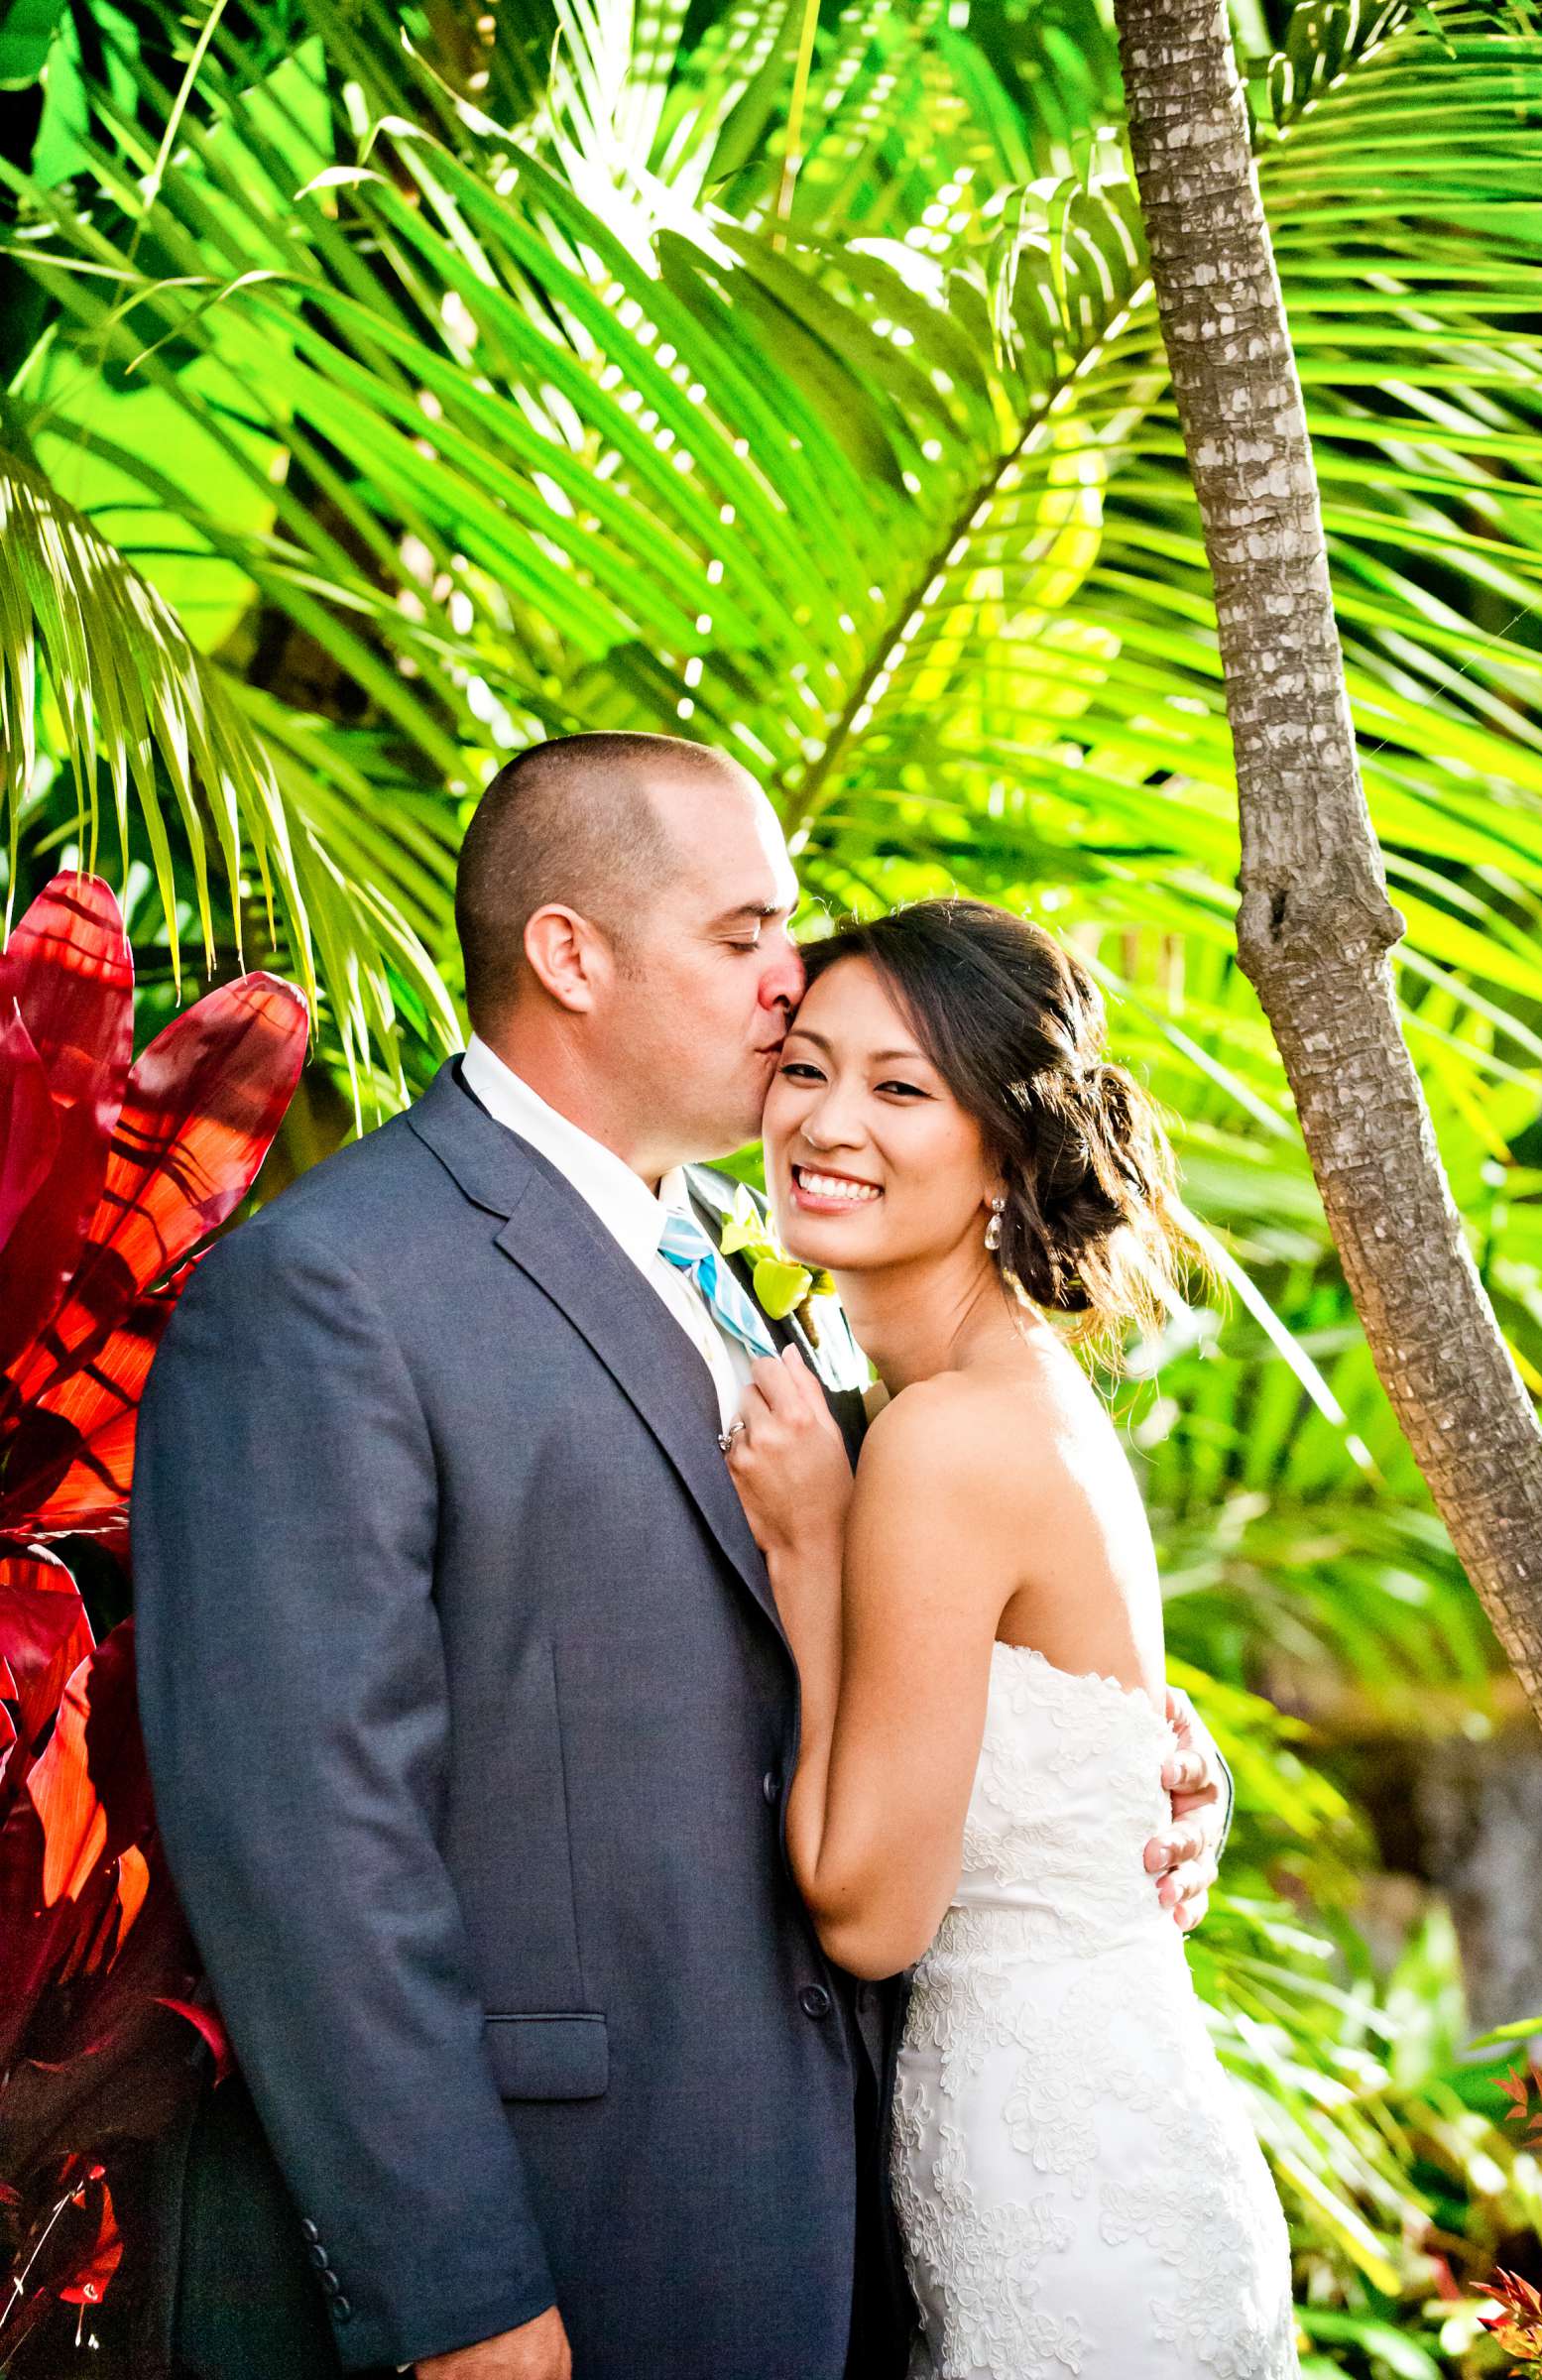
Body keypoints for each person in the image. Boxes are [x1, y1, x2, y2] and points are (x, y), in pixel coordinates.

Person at [132, 735, 1230, 2380]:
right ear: (572, 954)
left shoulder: (741, 1267)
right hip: (564, 2233)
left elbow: (909, 1642)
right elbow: (307, 1840)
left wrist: (1113, 1753)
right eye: (746, 938)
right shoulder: (335, 1292)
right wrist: (462, 2298)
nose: (790, 989)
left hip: (837, 2216)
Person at [726, 897, 1296, 2379]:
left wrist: (809, 1550)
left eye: (901, 1088)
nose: (830, 1119)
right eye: (806, 1067)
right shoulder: (991, 1393)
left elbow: (868, 1912)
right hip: (1087, 2130)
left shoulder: (945, 1444)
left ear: (1005, 1150)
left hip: (1063, 2189)